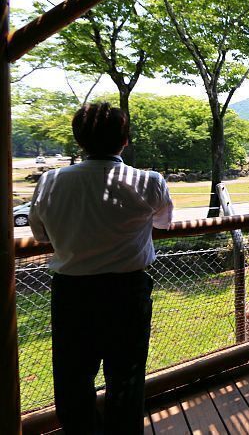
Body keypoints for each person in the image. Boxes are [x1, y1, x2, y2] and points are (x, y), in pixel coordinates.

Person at [28, 103, 174, 434]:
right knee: (127, 378)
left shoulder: (50, 182)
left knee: (73, 381)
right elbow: (163, 223)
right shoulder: (148, 181)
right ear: (125, 140)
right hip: (128, 291)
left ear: (79, 140)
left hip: (72, 292)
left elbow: (40, 234)